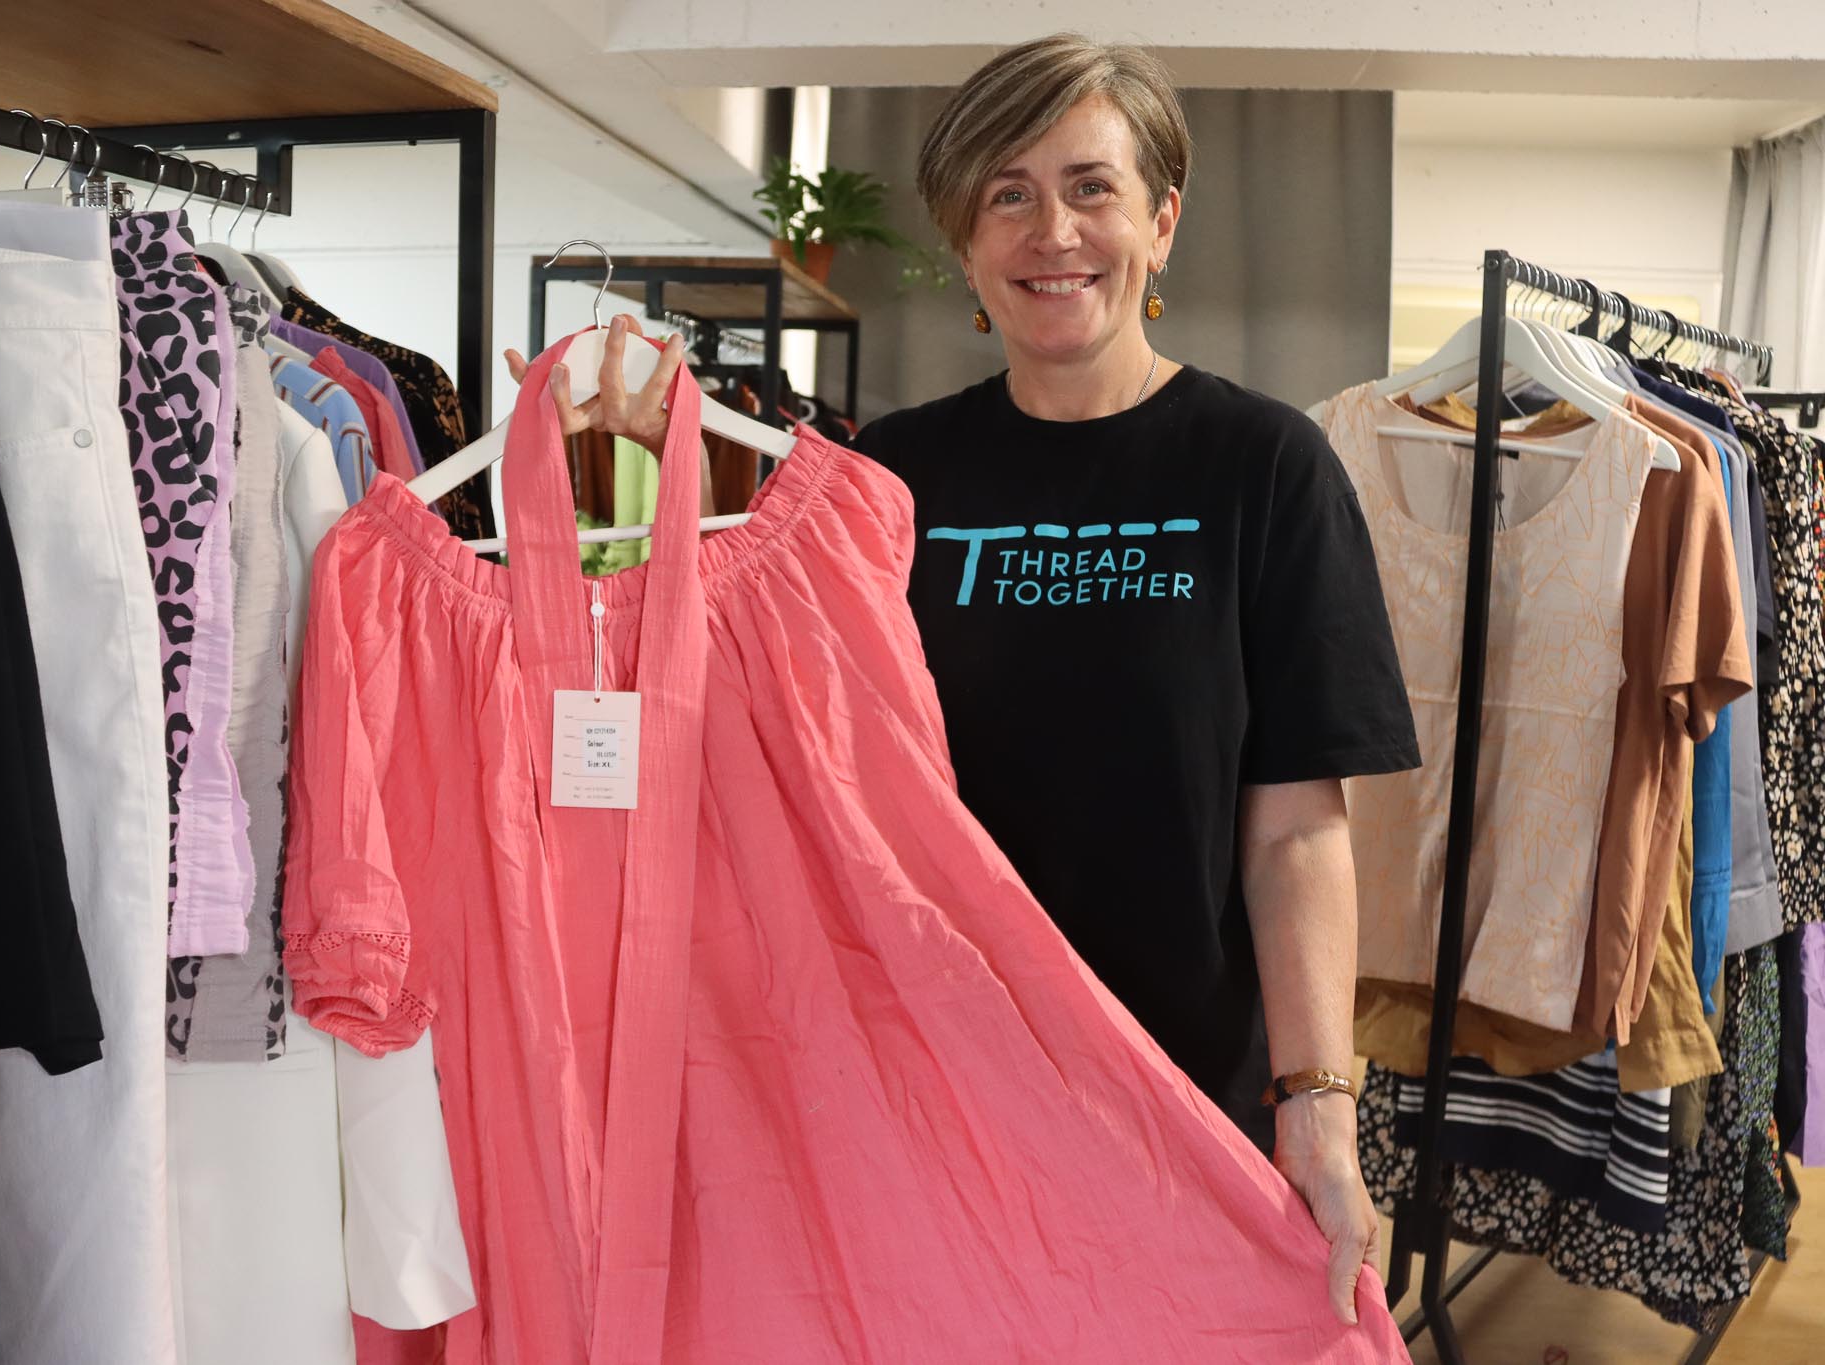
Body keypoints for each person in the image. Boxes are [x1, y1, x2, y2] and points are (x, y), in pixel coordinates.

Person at [504, 34, 1419, 1326]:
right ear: (966, 240)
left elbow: (1297, 831)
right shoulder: (886, 481)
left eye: (1092, 188)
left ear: (1162, 221)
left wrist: (1320, 1106)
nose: (1054, 231)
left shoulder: (1266, 468)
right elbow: (791, 758)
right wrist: (673, 451)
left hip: (1178, 1092)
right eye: (1008, 192)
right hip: (935, 1092)